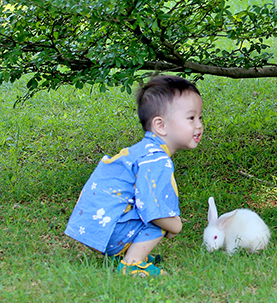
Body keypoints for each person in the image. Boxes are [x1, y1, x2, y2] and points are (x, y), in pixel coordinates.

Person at [65, 75, 204, 276]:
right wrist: (176, 226)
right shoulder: (156, 160)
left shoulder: (143, 151)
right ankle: (132, 263)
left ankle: (125, 254)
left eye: (200, 117)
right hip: (111, 230)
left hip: (97, 226)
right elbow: (154, 207)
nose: (198, 125)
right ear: (161, 125)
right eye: (191, 118)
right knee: (163, 221)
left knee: (159, 218)